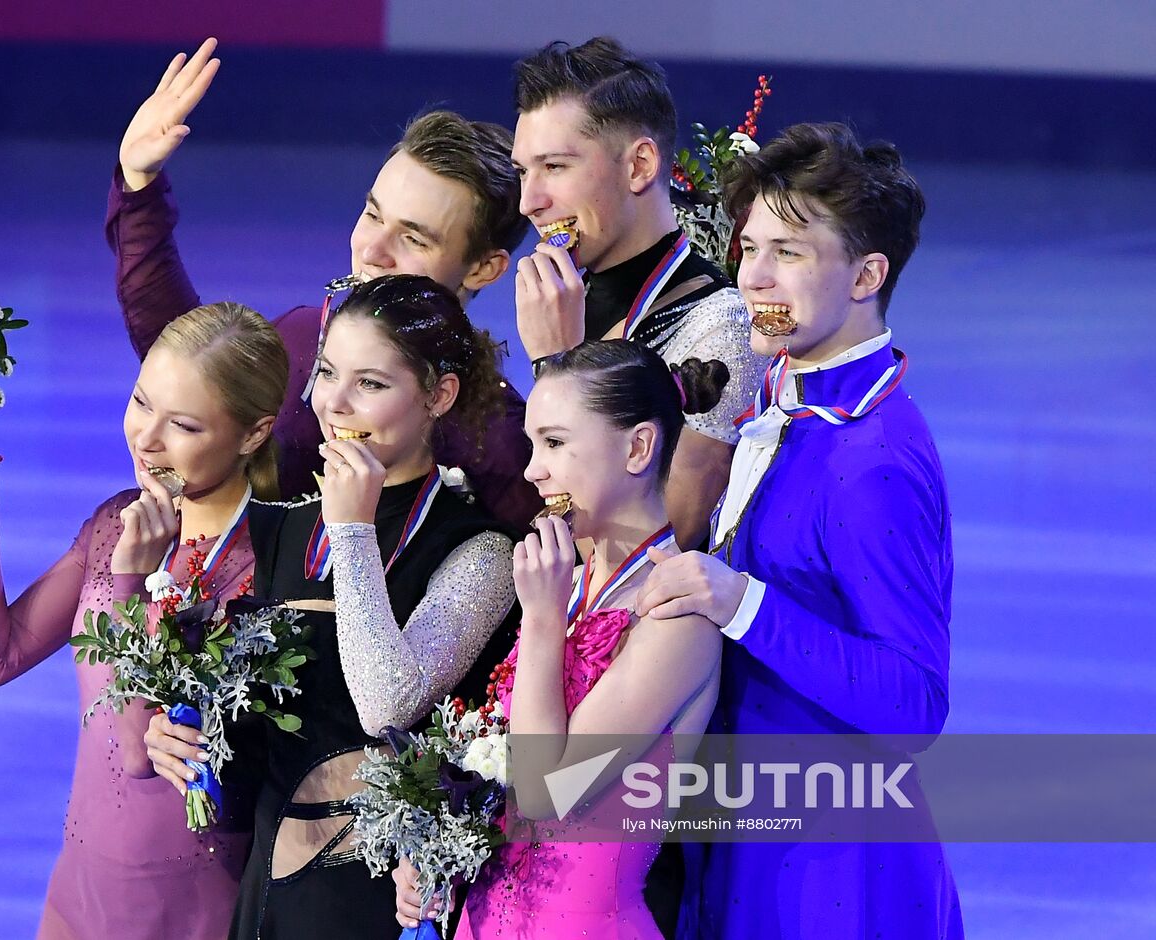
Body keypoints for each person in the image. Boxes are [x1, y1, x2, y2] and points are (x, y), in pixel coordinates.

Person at [632, 122, 963, 938]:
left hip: (831, 879)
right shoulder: (781, 396)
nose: (753, 276)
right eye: (749, 248)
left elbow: (914, 705)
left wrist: (741, 603)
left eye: (788, 253)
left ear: (866, 275)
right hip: (748, 840)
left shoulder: (871, 460)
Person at [144, 275, 520, 939]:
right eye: (325, 373)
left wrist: (352, 530)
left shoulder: (481, 551)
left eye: (369, 383)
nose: (334, 403)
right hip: (270, 898)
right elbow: (261, 747)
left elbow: (387, 706)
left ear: (439, 395)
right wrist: (181, 735)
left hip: (386, 906)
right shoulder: (283, 526)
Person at [0, 304, 290, 938]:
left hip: (191, 913)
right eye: (141, 402)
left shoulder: (270, 567)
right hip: (76, 896)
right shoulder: (116, 520)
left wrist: (130, 581)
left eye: (184, 425)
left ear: (253, 434)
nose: (147, 439)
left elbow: (140, 752)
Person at [107, 38, 540, 528]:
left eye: (414, 239)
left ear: (484, 268)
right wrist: (140, 184)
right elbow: (186, 363)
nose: (373, 250)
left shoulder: (495, 439)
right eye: (373, 215)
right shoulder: (300, 336)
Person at [390, 340, 727, 937]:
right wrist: (435, 848)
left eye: (554, 442)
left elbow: (549, 792)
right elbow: (497, 771)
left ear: (638, 447)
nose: (532, 470)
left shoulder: (678, 618)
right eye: (532, 444)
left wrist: (542, 621)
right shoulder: (565, 587)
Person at [508, 37, 768, 549]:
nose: (528, 202)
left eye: (554, 167)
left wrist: (557, 364)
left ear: (640, 165)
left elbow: (651, 549)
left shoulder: (723, 328)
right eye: (523, 172)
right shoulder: (568, 299)